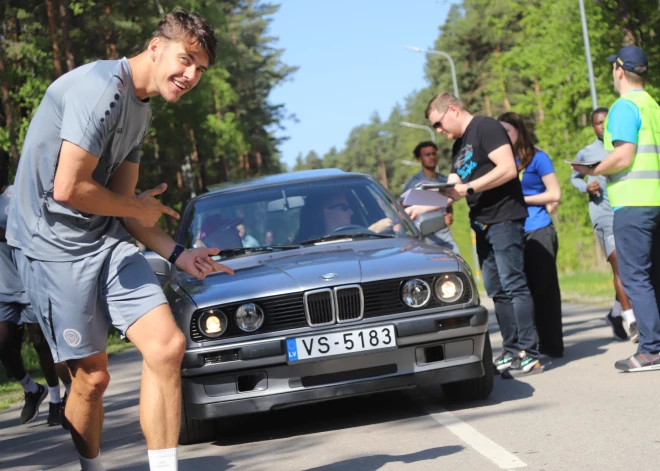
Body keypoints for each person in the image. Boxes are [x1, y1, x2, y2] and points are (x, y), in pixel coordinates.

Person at [6, 9, 233, 471]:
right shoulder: (100, 89)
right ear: (155, 47)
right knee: (91, 380)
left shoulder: (140, 111)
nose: (191, 76)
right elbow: (68, 188)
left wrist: (178, 253)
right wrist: (135, 209)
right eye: (186, 59)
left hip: (105, 241)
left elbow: (124, 205)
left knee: (167, 346)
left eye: (200, 70)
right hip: (50, 250)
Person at [406, 93, 542, 377]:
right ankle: (510, 350)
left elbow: (507, 168)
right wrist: (421, 205)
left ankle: (529, 353)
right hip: (482, 224)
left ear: (453, 109)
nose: (440, 132)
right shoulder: (459, 146)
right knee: (496, 290)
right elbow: (451, 189)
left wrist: (470, 188)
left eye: (439, 124)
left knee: (514, 285)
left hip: (505, 218)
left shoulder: (486, 127)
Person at [572, 45, 660, 372]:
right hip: (655, 200)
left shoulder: (624, 106)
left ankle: (651, 350)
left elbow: (623, 156)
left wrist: (592, 170)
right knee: (654, 277)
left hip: (632, 202)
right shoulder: (653, 105)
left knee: (636, 278)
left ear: (619, 71)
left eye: (613, 68)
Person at [0, 164, 71, 426]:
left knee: (42, 343)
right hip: (2, 288)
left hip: (29, 281)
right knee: (3, 345)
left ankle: (58, 397)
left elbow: (29, 230)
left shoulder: (15, 195)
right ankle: (32, 389)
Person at [499, 112, 564, 358]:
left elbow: (554, 193)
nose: (504, 136)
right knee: (521, 291)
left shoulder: (538, 158)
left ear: (519, 131)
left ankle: (552, 346)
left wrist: (522, 199)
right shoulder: (502, 162)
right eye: (500, 132)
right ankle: (530, 345)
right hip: (511, 233)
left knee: (545, 290)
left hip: (538, 229)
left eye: (508, 130)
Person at [571, 107, 637, 342]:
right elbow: (574, 177)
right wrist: (585, 187)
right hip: (604, 214)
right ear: (593, 127)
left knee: (632, 266)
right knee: (619, 264)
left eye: (606, 122)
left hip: (626, 209)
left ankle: (615, 313)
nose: (603, 126)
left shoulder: (622, 146)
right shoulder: (587, 152)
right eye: (598, 123)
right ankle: (631, 320)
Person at [402, 141, 460, 253]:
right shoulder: (414, 183)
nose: (432, 157)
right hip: (424, 237)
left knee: (458, 264)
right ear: (420, 159)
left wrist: (450, 215)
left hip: (444, 233)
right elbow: (403, 208)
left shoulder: (444, 180)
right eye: (427, 155)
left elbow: (448, 201)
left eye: (434, 154)